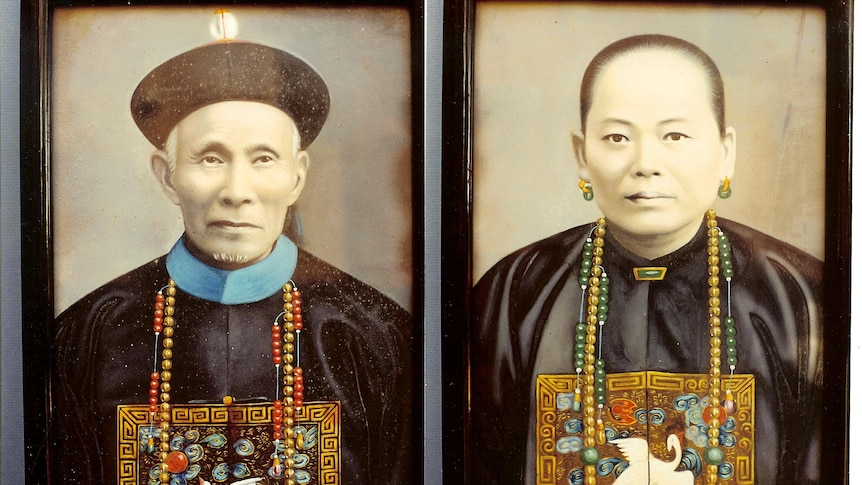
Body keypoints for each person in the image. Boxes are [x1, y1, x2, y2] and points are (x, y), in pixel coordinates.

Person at [50, 38, 413, 484]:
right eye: (211, 158)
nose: (237, 191)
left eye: (263, 158)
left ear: (297, 177)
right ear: (168, 177)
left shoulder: (374, 333)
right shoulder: (89, 334)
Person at [470, 35, 822, 485]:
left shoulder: (803, 296)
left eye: (674, 135)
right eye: (617, 137)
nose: (645, 162)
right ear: (582, 154)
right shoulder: (513, 292)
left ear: (724, 150)